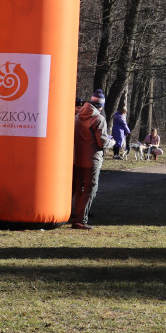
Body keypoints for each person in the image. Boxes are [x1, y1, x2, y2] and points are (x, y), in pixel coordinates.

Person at [70, 90, 113, 230]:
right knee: (90, 189)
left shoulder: (78, 116)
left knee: (79, 188)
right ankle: (80, 220)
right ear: (101, 105)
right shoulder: (98, 119)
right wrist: (111, 142)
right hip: (92, 160)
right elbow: (102, 142)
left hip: (76, 159)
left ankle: (76, 215)